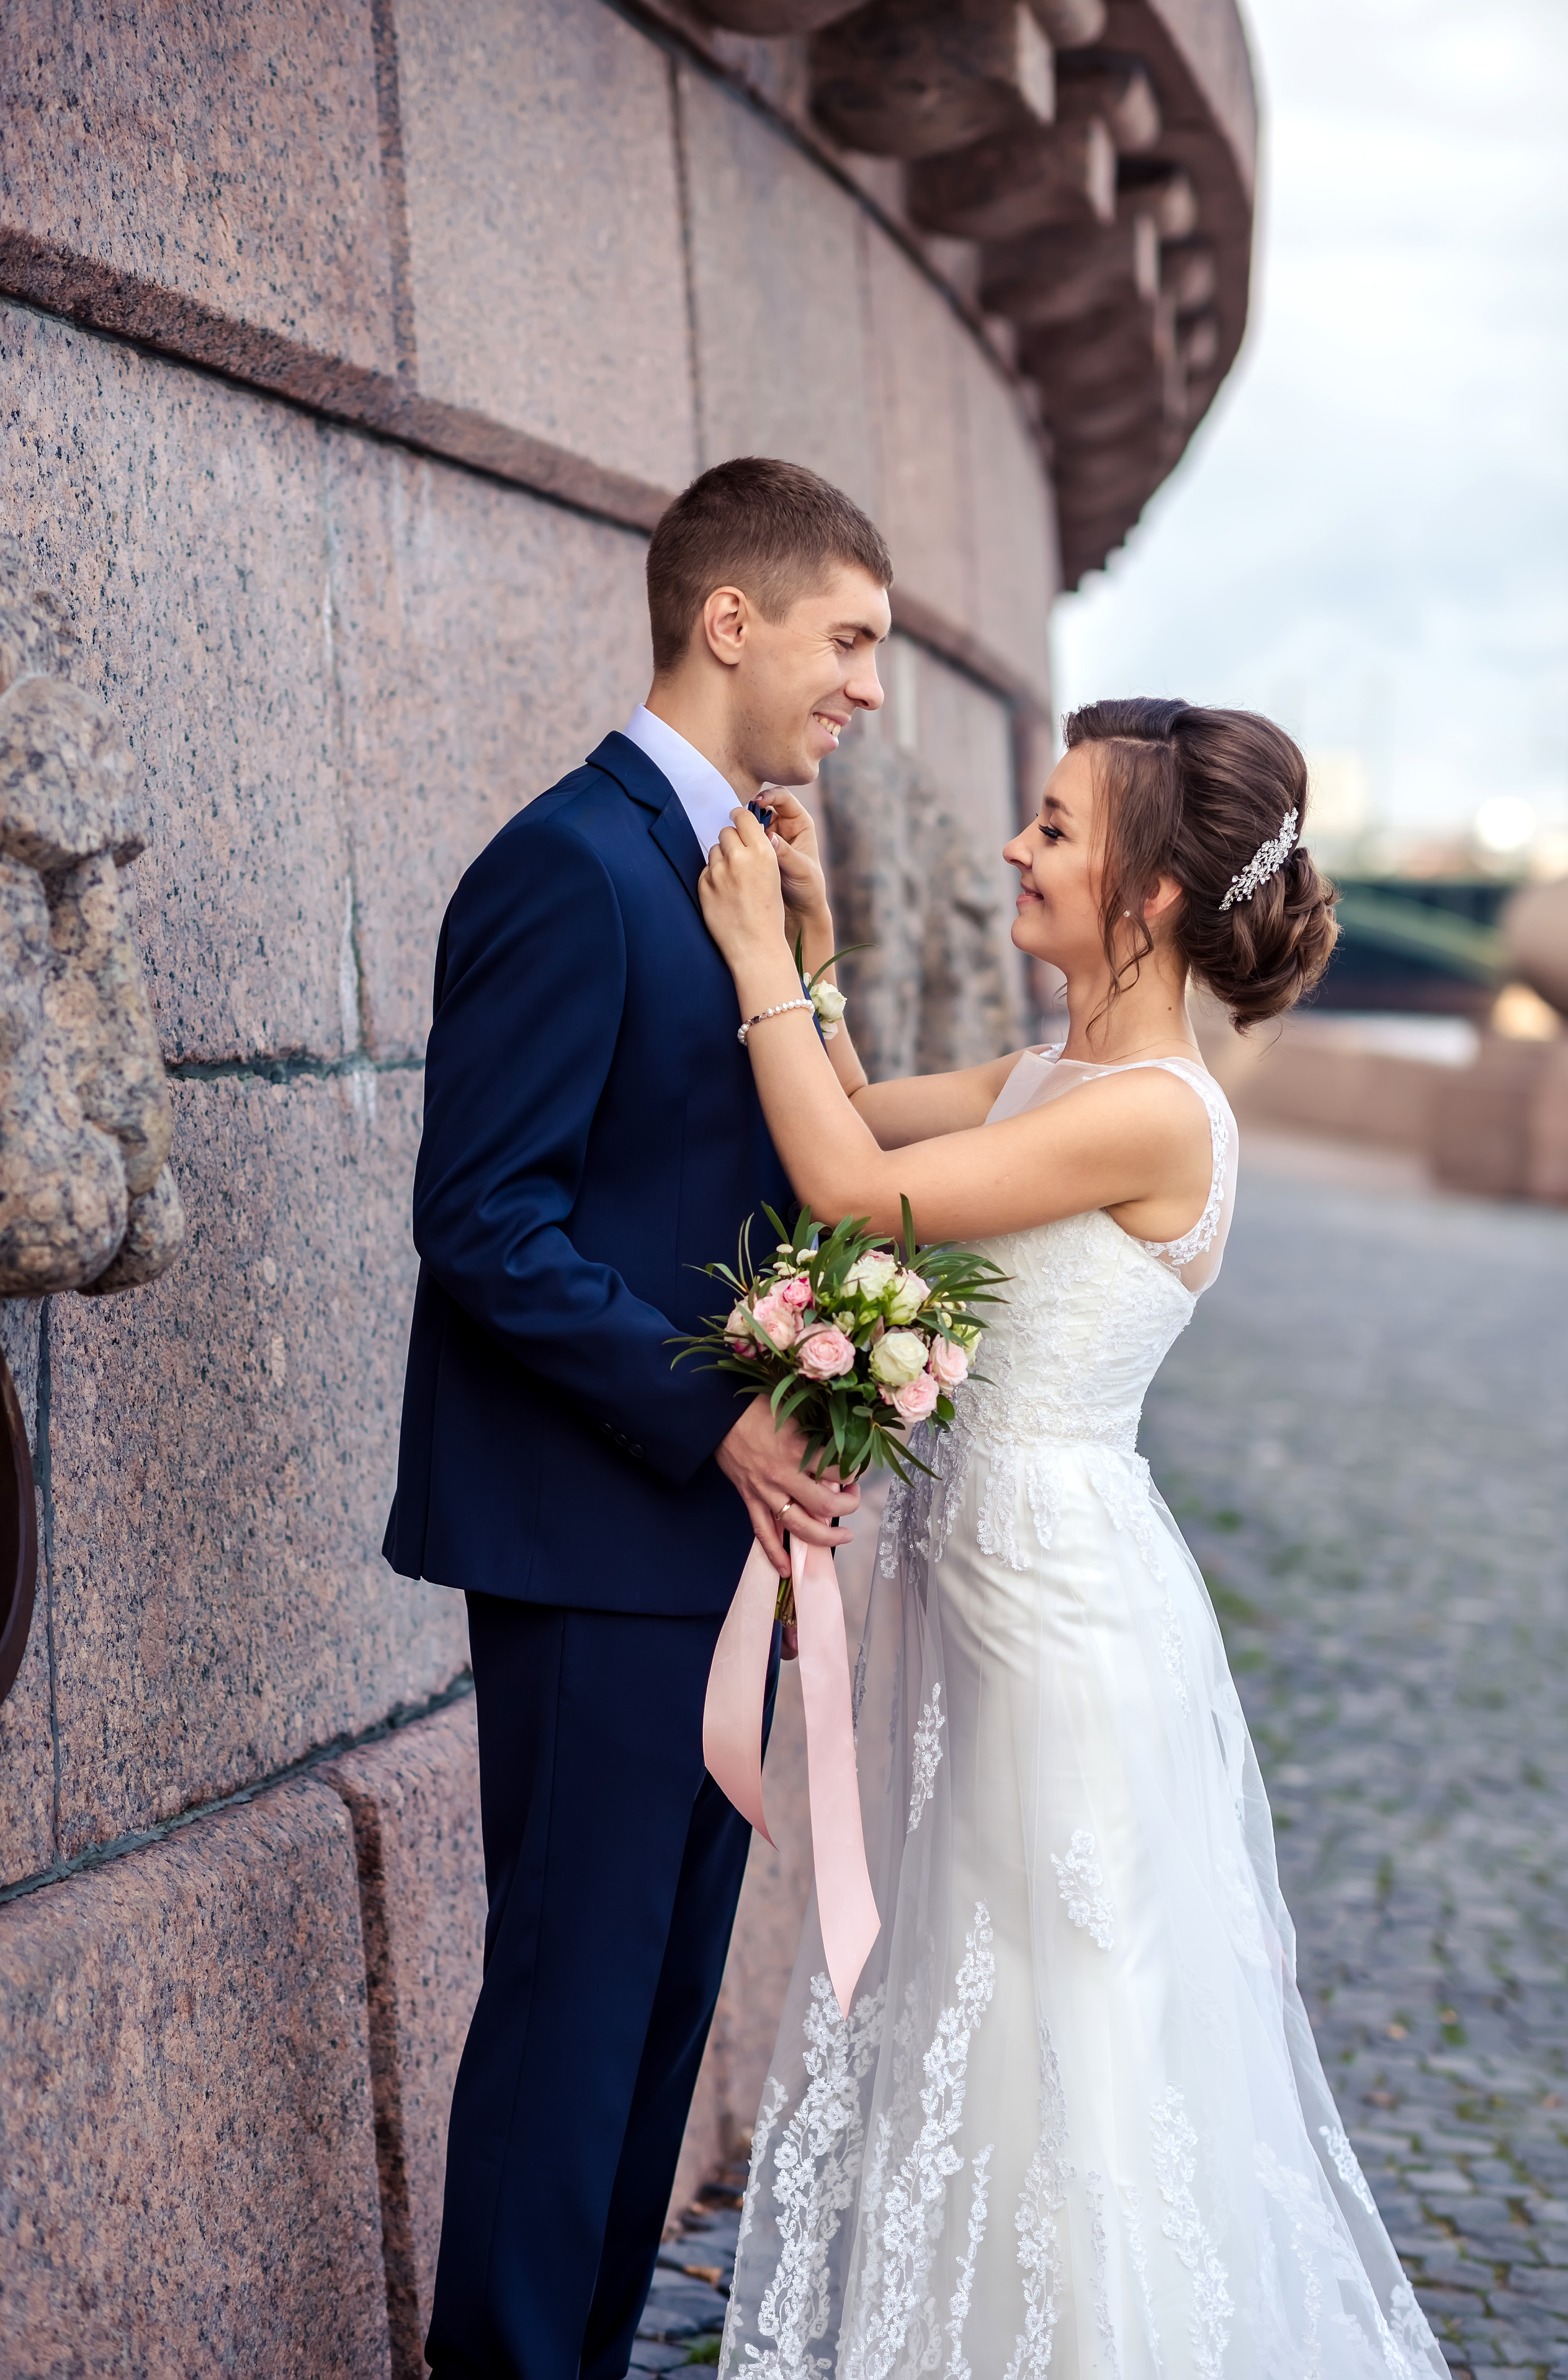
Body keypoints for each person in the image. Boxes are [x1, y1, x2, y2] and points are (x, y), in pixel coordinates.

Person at [699, 699, 1451, 2378]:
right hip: (980, 1591)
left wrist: (747, 947)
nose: (1019, 852)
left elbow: (837, 1188)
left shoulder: (1162, 1112)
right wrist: (811, 948)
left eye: (1053, 827)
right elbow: (850, 1107)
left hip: (1055, 1617)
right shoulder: (1057, 1073)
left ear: (1159, 891)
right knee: (970, 2017)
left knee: (1062, 2040)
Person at [383, 457, 896, 2378]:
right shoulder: (567, 863)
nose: (863, 686)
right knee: (574, 2011)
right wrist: (719, 1426)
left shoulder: (753, 869)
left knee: (662, 2012)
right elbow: (482, 1221)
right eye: (847, 640)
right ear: (729, 618)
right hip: (599, 1533)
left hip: (717, 1549)